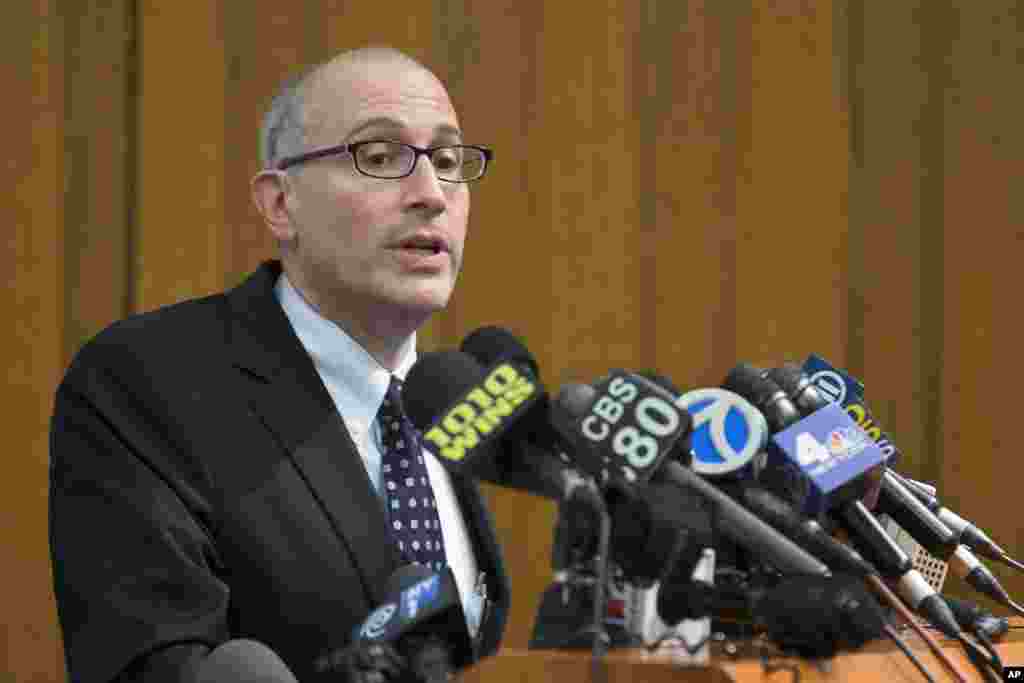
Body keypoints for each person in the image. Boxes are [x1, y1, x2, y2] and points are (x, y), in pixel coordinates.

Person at [49, 46, 509, 682]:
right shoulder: (150, 383)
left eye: (450, 160)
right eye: (379, 157)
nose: (431, 193)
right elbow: (156, 665)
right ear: (280, 204)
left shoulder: (451, 403)